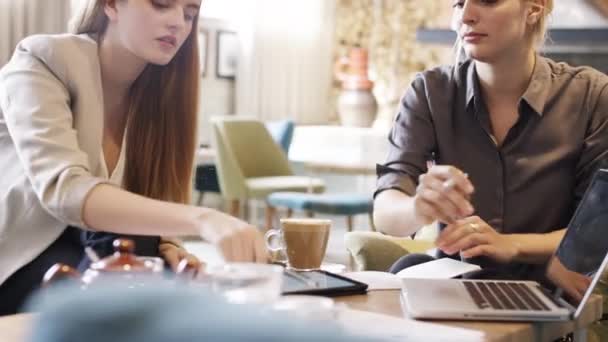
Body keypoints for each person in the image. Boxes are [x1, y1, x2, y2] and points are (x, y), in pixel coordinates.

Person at [0, 0, 267, 315]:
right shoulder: (43, 60)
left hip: (95, 255)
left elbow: (148, 203)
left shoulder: (160, 95)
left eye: (189, 14)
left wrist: (171, 248)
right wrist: (204, 217)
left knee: (161, 274)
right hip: (20, 259)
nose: (178, 23)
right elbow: (64, 191)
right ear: (111, 5)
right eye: (162, 4)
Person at [373, 0, 608, 292]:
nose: (466, 16)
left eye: (487, 1)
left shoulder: (592, 96)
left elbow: (597, 230)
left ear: (535, 7)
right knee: (406, 270)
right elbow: (385, 210)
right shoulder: (429, 93)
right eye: (459, 3)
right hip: (455, 288)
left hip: (545, 293)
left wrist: (511, 245)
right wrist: (417, 208)